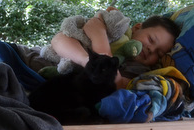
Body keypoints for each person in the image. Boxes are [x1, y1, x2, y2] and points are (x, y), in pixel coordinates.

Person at [50, 8, 181, 89]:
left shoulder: (139, 71)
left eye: (159, 53)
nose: (151, 49)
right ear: (136, 28)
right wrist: (85, 60)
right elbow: (58, 39)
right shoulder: (114, 35)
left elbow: (116, 83)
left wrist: (99, 36)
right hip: (49, 62)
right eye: (151, 40)